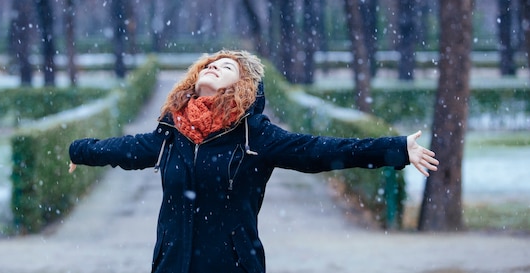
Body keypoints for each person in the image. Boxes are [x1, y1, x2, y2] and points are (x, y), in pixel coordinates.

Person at [68, 50, 439, 273]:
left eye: (226, 67)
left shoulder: (254, 136)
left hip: (232, 265)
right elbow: (124, 150)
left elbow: (320, 151)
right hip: (172, 264)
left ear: (242, 87)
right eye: (209, 65)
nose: (213, 68)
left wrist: (395, 149)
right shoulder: (172, 132)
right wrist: (79, 151)